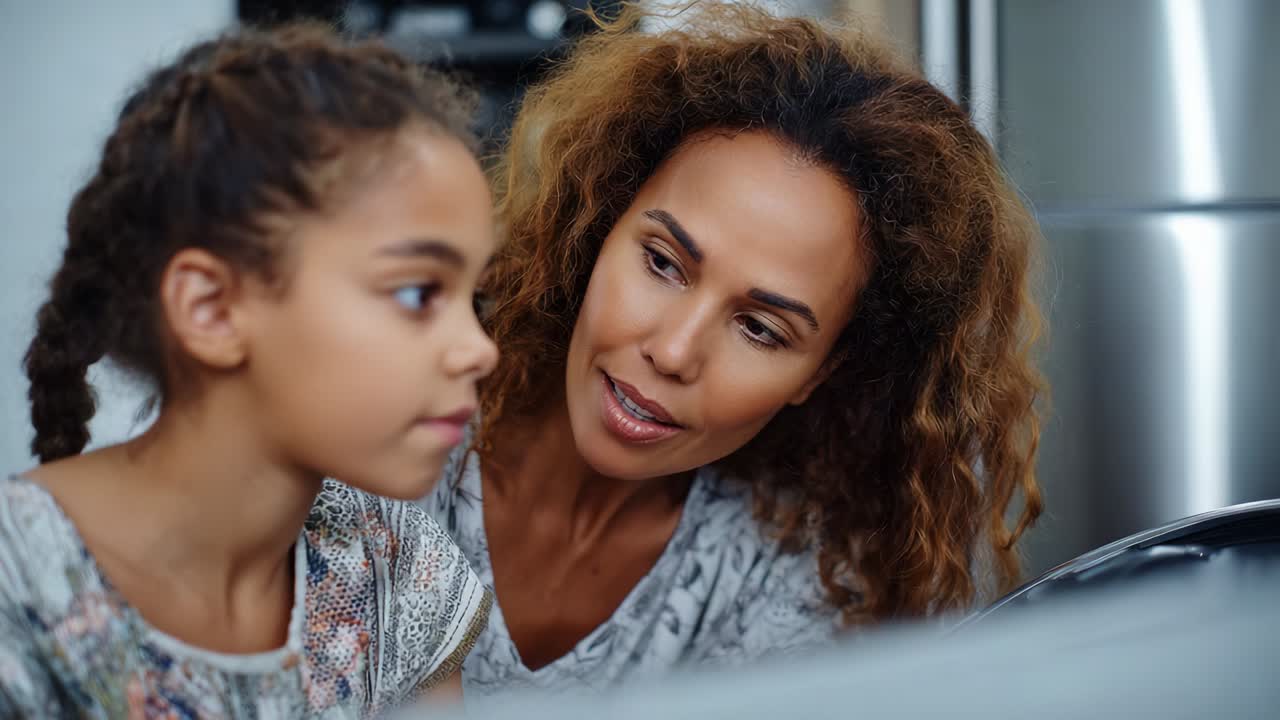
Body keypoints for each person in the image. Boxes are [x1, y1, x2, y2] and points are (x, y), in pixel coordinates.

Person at [423, 2, 1045, 698]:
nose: (674, 351)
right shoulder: (393, 419)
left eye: (761, 328)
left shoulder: (794, 575)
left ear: (822, 371)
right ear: (601, 226)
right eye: (663, 263)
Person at [0, 23, 498, 717]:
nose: (480, 349)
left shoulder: (400, 570)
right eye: (418, 292)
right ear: (212, 308)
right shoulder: (17, 592)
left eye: (473, 298)